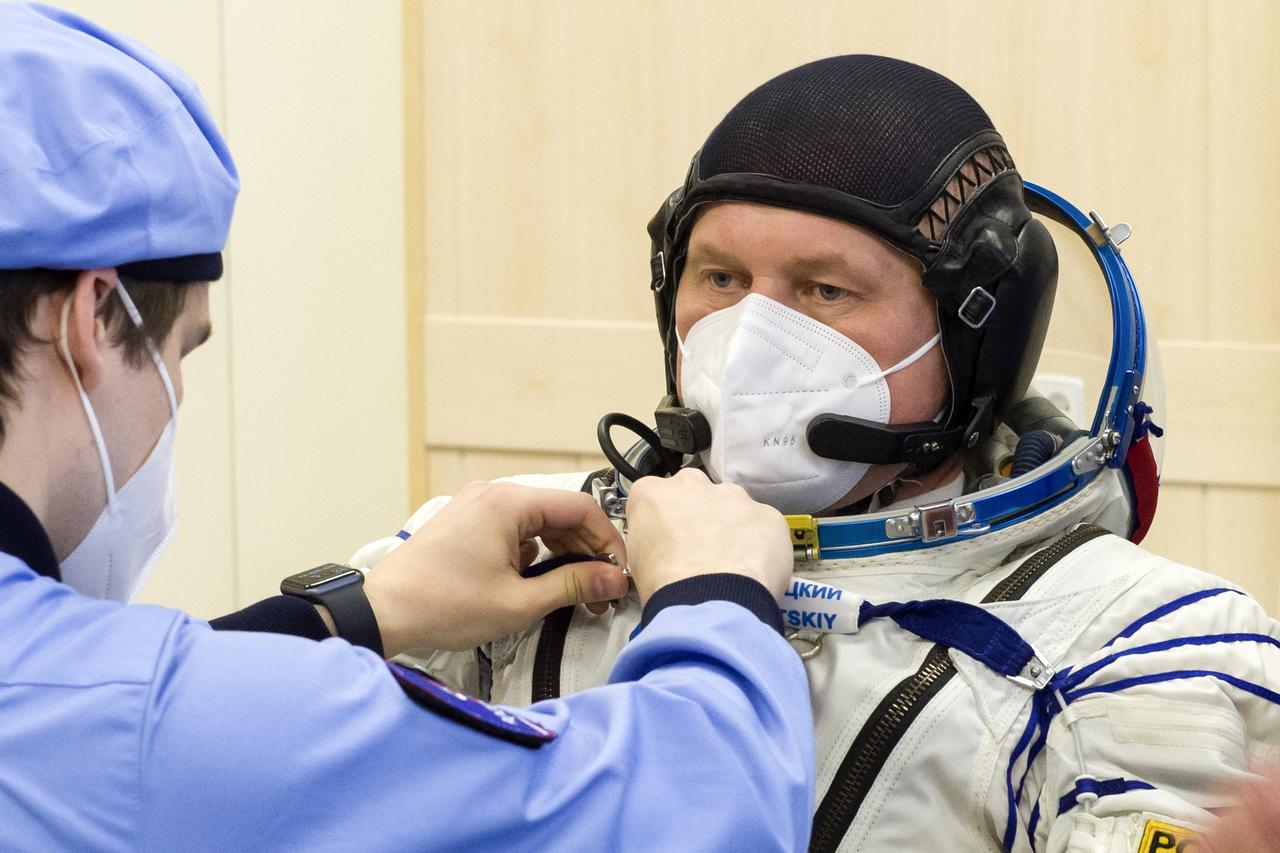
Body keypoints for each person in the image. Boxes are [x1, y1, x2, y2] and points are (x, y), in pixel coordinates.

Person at [362, 56, 1280, 851]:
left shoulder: (1139, 642)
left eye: (825, 289)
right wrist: (364, 616)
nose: (751, 336)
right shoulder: (503, 554)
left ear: (979, 335)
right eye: (719, 277)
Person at [0, 5, 815, 850]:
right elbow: (705, 806)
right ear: (95, 319)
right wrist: (715, 596)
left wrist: (360, 611)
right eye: (182, 351)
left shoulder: (83, 711)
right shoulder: (134, 722)